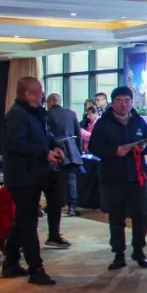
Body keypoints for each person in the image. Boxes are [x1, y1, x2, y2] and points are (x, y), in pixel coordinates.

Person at [0, 77, 64, 285]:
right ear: (28, 94)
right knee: (28, 223)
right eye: (39, 90)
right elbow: (16, 144)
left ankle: (10, 263)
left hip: (37, 175)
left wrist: (54, 146)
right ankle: (36, 268)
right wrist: (44, 153)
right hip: (22, 177)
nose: (42, 94)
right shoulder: (16, 116)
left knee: (22, 220)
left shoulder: (35, 113)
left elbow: (44, 135)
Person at [88, 86, 147, 270]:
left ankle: (139, 250)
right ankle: (118, 254)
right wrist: (114, 151)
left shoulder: (138, 121)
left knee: (142, 213)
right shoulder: (103, 123)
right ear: (112, 103)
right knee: (116, 217)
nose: (123, 104)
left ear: (132, 102)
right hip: (114, 177)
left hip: (137, 177)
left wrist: (144, 148)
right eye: (119, 101)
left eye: (127, 101)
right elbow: (93, 147)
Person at [45, 93, 81, 223]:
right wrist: (79, 151)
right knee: (71, 178)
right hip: (71, 149)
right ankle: (72, 207)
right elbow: (78, 133)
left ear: (50, 102)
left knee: (53, 179)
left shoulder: (47, 115)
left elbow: (46, 135)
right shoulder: (71, 114)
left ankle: (55, 205)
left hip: (55, 150)